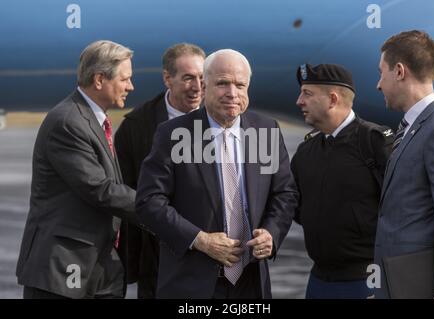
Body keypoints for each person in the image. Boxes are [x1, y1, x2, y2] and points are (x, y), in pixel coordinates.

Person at [135, 49, 298, 298]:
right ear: (204, 85)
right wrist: (200, 240)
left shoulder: (266, 130)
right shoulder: (173, 134)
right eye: (223, 83)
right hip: (192, 283)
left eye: (240, 85)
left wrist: (271, 233)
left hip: (250, 283)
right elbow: (149, 202)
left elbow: (284, 193)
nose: (232, 93)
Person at [16, 40, 142, 299]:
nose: (131, 86)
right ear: (99, 80)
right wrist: (158, 208)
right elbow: (100, 189)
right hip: (63, 271)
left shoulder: (94, 119)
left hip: (99, 266)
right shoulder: (68, 122)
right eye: (125, 79)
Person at [290, 63, 393, 298]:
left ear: (333, 99)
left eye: (307, 93)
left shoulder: (374, 143)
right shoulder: (306, 152)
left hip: (365, 281)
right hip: (318, 280)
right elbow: (295, 207)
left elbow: (404, 207)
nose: (299, 101)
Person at [114, 43, 205, 299]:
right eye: (188, 78)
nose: (197, 87)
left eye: (202, 77)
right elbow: (125, 191)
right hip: (157, 260)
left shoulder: (224, 116)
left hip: (214, 258)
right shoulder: (136, 127)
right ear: (167, 78)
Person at [374, 30, 434, 299]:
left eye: (381, 73)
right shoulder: (413, 127)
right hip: (397, 283)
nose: (378, 84)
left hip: (416, 286)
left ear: (399, 71)